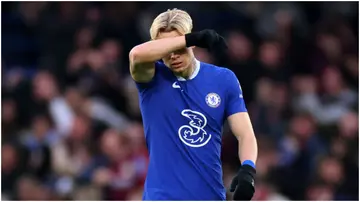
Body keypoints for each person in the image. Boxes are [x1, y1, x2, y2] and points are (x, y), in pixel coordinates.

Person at [129, 8, 258, 201]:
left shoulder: (223, 79)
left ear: (193, 46)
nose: (173, 56)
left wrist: (248, 169)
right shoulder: (151, 78)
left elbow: (245, 133)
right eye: (166, 49)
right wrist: (190, 39)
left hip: (210, 195)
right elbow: (136, 54)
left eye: (179, 48)